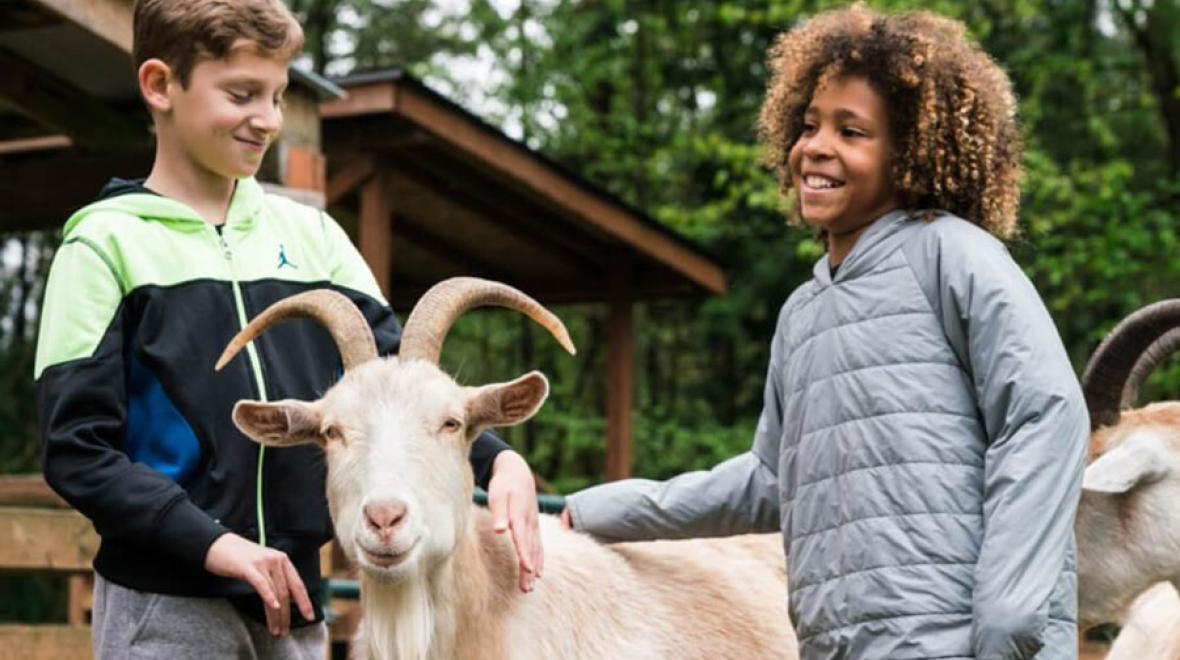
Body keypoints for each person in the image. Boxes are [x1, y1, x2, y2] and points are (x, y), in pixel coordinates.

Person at [563, 5, 1088, 659]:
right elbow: (768, 482)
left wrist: (1009, 616)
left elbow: (1046, 415)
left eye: (852, 131)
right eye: (809, 126)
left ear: (911, 154)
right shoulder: (802, 313)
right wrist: (595, 512)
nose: (816, 147)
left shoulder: (955, 257)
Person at [34, 1, 542, 658]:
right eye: (242, 94)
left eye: (277, 95)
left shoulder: (313, 238)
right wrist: (211, 543)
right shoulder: (104, 246)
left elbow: (398, 387)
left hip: (298, 607)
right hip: (168, 608)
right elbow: (76, 449)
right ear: (160, 85)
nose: (268, 119)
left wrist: (498, 459)